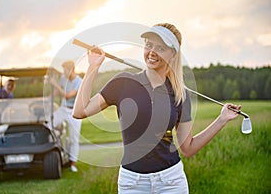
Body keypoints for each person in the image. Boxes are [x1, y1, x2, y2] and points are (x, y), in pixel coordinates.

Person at [73, 23, 241, 193]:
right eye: (148, 45)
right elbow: (80, 111)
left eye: (160, 48)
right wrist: (93, 66)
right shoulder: (122, 83)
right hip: (132, 183)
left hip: (171, 182)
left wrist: (221, 120)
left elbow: (188, 148)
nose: (152, 52)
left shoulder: (180, 95)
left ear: (173, 54)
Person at [50, 60, 82, 172]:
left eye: (65, 70)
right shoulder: (64, 78)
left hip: (75, 112)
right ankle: (54, 149)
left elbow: (68, 96)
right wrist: (52, 89)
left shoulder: (79, 81)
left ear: (71, 70)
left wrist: (56, 85)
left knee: (74, 139)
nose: (63, 73)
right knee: (49, 123)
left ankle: (73, 164)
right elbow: (57, 93)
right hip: (63, 109)